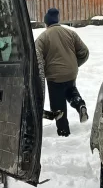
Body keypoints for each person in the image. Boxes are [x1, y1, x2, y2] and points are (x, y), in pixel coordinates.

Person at [35, 8, 89, 136]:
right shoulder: (70, 33)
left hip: (54, 77)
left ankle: (64, 132)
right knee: (70, 91)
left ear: (46, 23)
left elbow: (37, 58)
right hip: (71, 73)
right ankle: (79, 104)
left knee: (58, 106)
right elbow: (84, 52)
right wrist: (75, 64)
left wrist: (42, 73)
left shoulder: (43, 37)